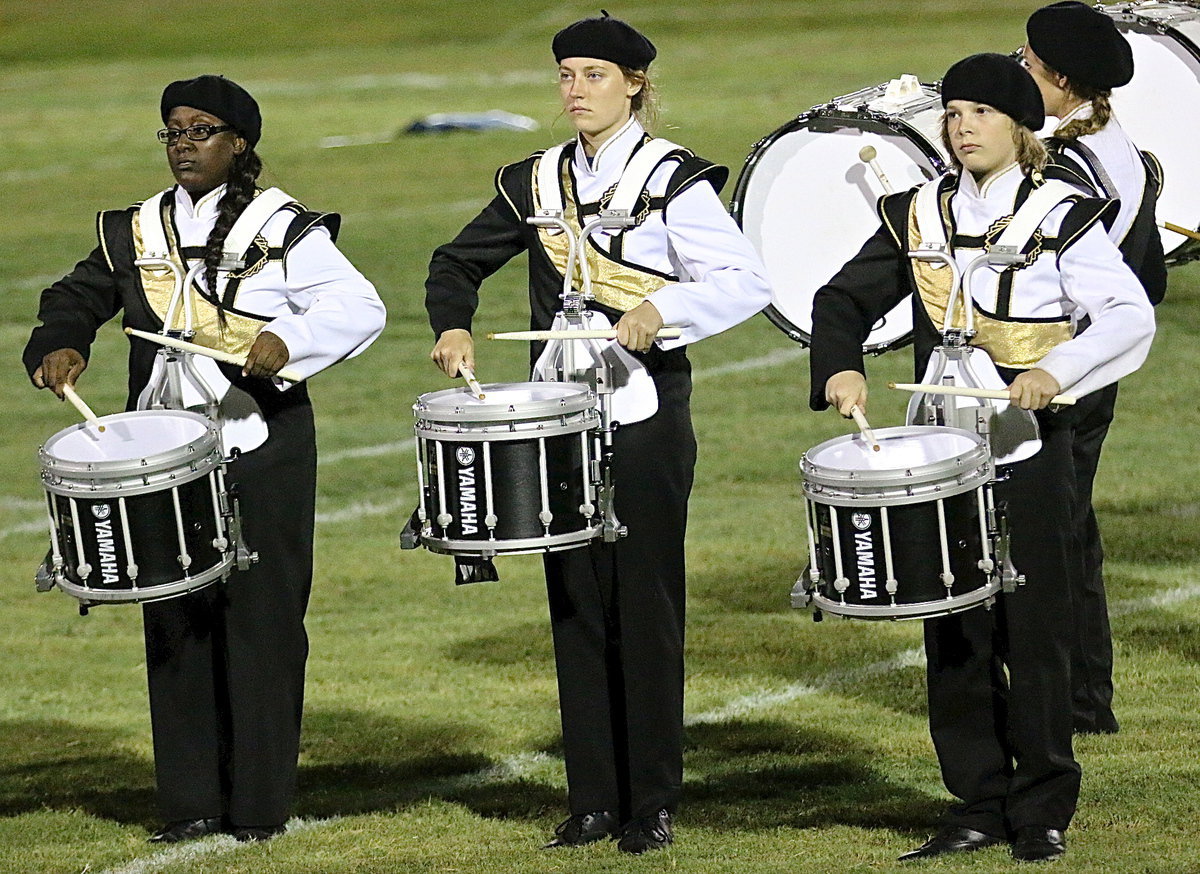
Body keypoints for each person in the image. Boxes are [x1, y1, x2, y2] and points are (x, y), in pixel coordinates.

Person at [424, 12, 770, 854]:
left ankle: (651, 799)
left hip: (645, 415)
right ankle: (591, 800)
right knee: (575, 603)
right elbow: (455, 261)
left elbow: (745, 277)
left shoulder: (673, 179)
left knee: (643, 604)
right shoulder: (536, 180)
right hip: (557, 421)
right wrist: (454, 323)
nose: (577, 90)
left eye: (595, 76)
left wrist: (665, 307)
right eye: (568, 74)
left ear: (636, 85)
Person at [808, 54, 1154, 862]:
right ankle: (974, 801)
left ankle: (1041, 807)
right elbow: (842, 298)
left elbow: (1127, 315)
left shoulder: (1064, 212)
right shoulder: (917, 211)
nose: (963, 128)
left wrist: (1053, 372)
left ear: (1019, 125)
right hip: (942, 446)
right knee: (953, 623)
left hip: (1033, 445)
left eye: (981, 113)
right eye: (953, 113)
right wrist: (841, 363)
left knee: (1034, 628)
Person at [23, 75, 385, 843]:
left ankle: (258, 809)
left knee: (262, 624)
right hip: (164, 452)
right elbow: (78, 293)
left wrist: (288, 341)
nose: (184, 144)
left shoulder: (282, 225)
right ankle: (190, 805)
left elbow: (359, 305)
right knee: (176, 620)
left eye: (202, 131)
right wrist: (60, 341)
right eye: (174, 132)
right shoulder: (136, 228)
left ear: (239, 143)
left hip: (259, 446)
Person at [1022, 0, 1167, 735]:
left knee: (1056, 536)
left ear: (1061, 80)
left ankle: (1077, 699)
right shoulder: (1112, 139)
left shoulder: (1071, 168)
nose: (1020, 70)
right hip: (1093, 368)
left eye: (1028, 65)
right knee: (1070, 530)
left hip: (1061, 368)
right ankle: (1084, 699)